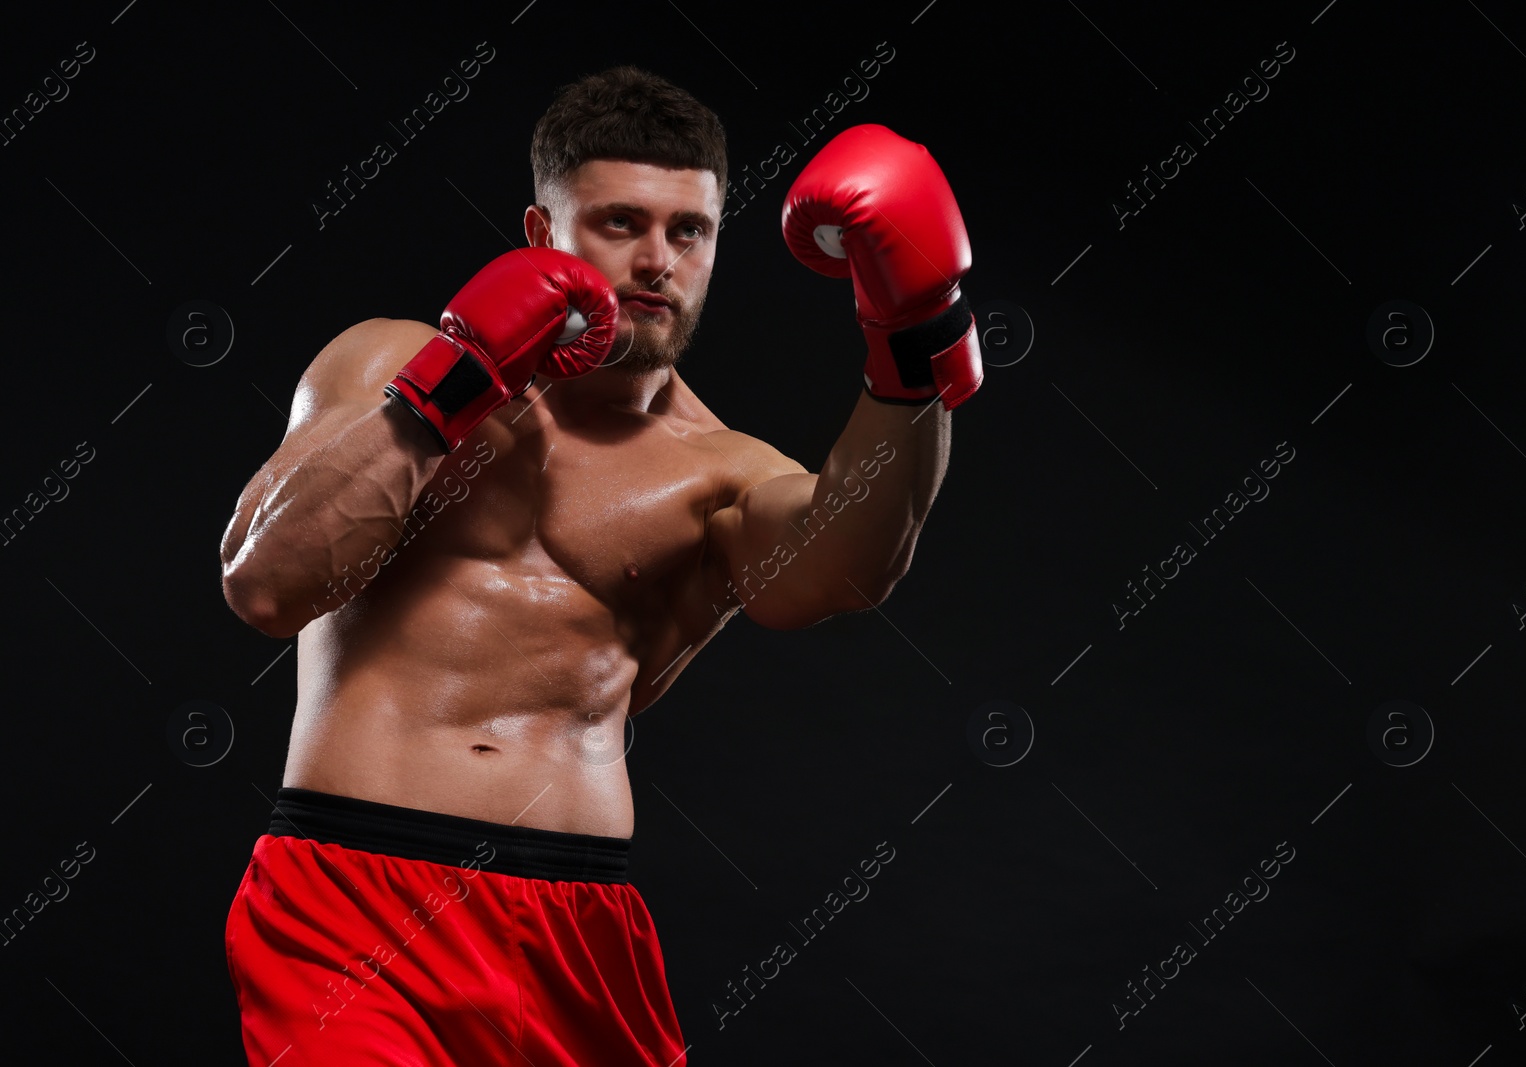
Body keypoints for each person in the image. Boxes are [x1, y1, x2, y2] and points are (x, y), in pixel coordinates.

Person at [218, 65, 980, 1065]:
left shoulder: (724, 470)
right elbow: (267, 583)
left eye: (689, 231)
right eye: (620, 223)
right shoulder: (385, 359)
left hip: (578, 929)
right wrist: (454, 381)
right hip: (352, 895)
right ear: (542, 235)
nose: (656, 260)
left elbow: (845, 569)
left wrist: (914, 342)